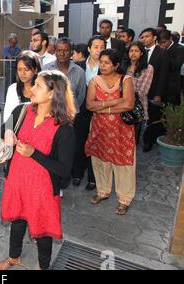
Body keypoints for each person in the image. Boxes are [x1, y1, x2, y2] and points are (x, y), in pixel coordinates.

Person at [0, 70, 76, 270]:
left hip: (43, 189)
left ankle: (43, 266)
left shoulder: (64, 128)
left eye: (38, 85)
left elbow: (64, 170)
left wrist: (34, 153)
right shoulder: (22, 110)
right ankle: (14, 258)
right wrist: (7, 133)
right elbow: (2, 128)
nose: (32, 88)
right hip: (17, 180)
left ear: (52, 93)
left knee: (43, 230)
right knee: (17, 220)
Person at [85, 49, 135, 215]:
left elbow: (128, 105)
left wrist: (103, 106)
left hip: (122, 130)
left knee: (123, 163)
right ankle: (103, 191)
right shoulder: (94, 81)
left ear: (116, 65)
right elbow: (90, 105)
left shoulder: (125, 80)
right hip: (100, 129)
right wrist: (115, 101)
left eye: (107, 62)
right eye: (101, 62)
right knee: (100, 161)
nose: (103, 65)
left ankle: (124, 199)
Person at [71, 35, 106, 191]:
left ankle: (93, 177)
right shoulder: (78, 66)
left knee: (97, 144)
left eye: (102, 47)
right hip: (81, 110)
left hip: (100, 110)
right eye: (96, 47)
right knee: (79, 142)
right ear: (89, 48)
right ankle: (77, 173)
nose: (99, 50)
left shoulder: (106, 67)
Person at [139, 28, 169, 152]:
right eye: (142, 36)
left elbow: (163, 75)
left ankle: (148, 141)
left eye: (147, 36)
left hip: (153, 91)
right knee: (137, 115)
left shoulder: (162, 53)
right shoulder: (139, 51)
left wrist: (158, 94)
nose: (144, 39)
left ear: (155, 37)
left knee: (152, 118)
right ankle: (135, 139)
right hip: (139, 90)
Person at [123, 41, 154, 143]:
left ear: (141, 53)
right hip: (120, 106)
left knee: (133, 139)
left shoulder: (148, 68)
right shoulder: (124, 67)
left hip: (137, 107)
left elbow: (143, 91)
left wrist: (125, 94)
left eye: (136, 51)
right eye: (131, 51)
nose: (133, 53)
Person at [3, 50, 41, 122]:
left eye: (26, 69)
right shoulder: (13, 89)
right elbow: (7, 117)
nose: (22, 73)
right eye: (19, 69)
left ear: (35, 70)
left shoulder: (43, 90)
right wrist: (8, 131)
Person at [158, 30, 184, 105]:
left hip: (171, 86)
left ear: (170, 39)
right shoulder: (158, 48)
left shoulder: (180, 48)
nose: (162, 45)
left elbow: (176, 65)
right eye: (160, 43)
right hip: (160, 85)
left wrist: (164, 52)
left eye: (164, 42)